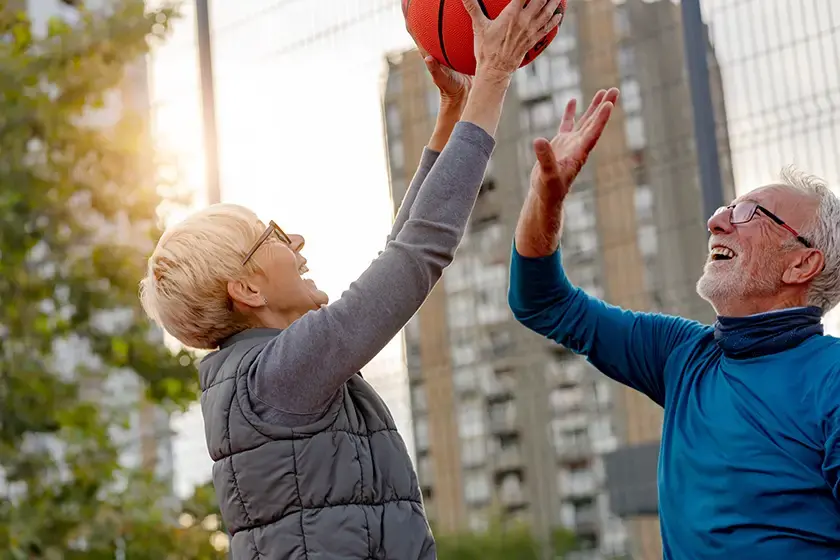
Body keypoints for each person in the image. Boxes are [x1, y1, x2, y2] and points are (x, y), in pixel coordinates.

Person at [139, 1, 569, 557]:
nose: (294, 241)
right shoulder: (278, 376)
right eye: (270, 234)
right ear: (247, 289)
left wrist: (451, 115)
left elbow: (404, 249)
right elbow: (418, 254)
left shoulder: (262, 379)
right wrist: (492, 76)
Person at [508, 87, 840, 558]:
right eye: (726, 208)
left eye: (749, 214)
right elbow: (542, 302)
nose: (716, 222)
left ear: (801, 265)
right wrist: (546, 198)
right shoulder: (683, 354)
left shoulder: (832, 379)